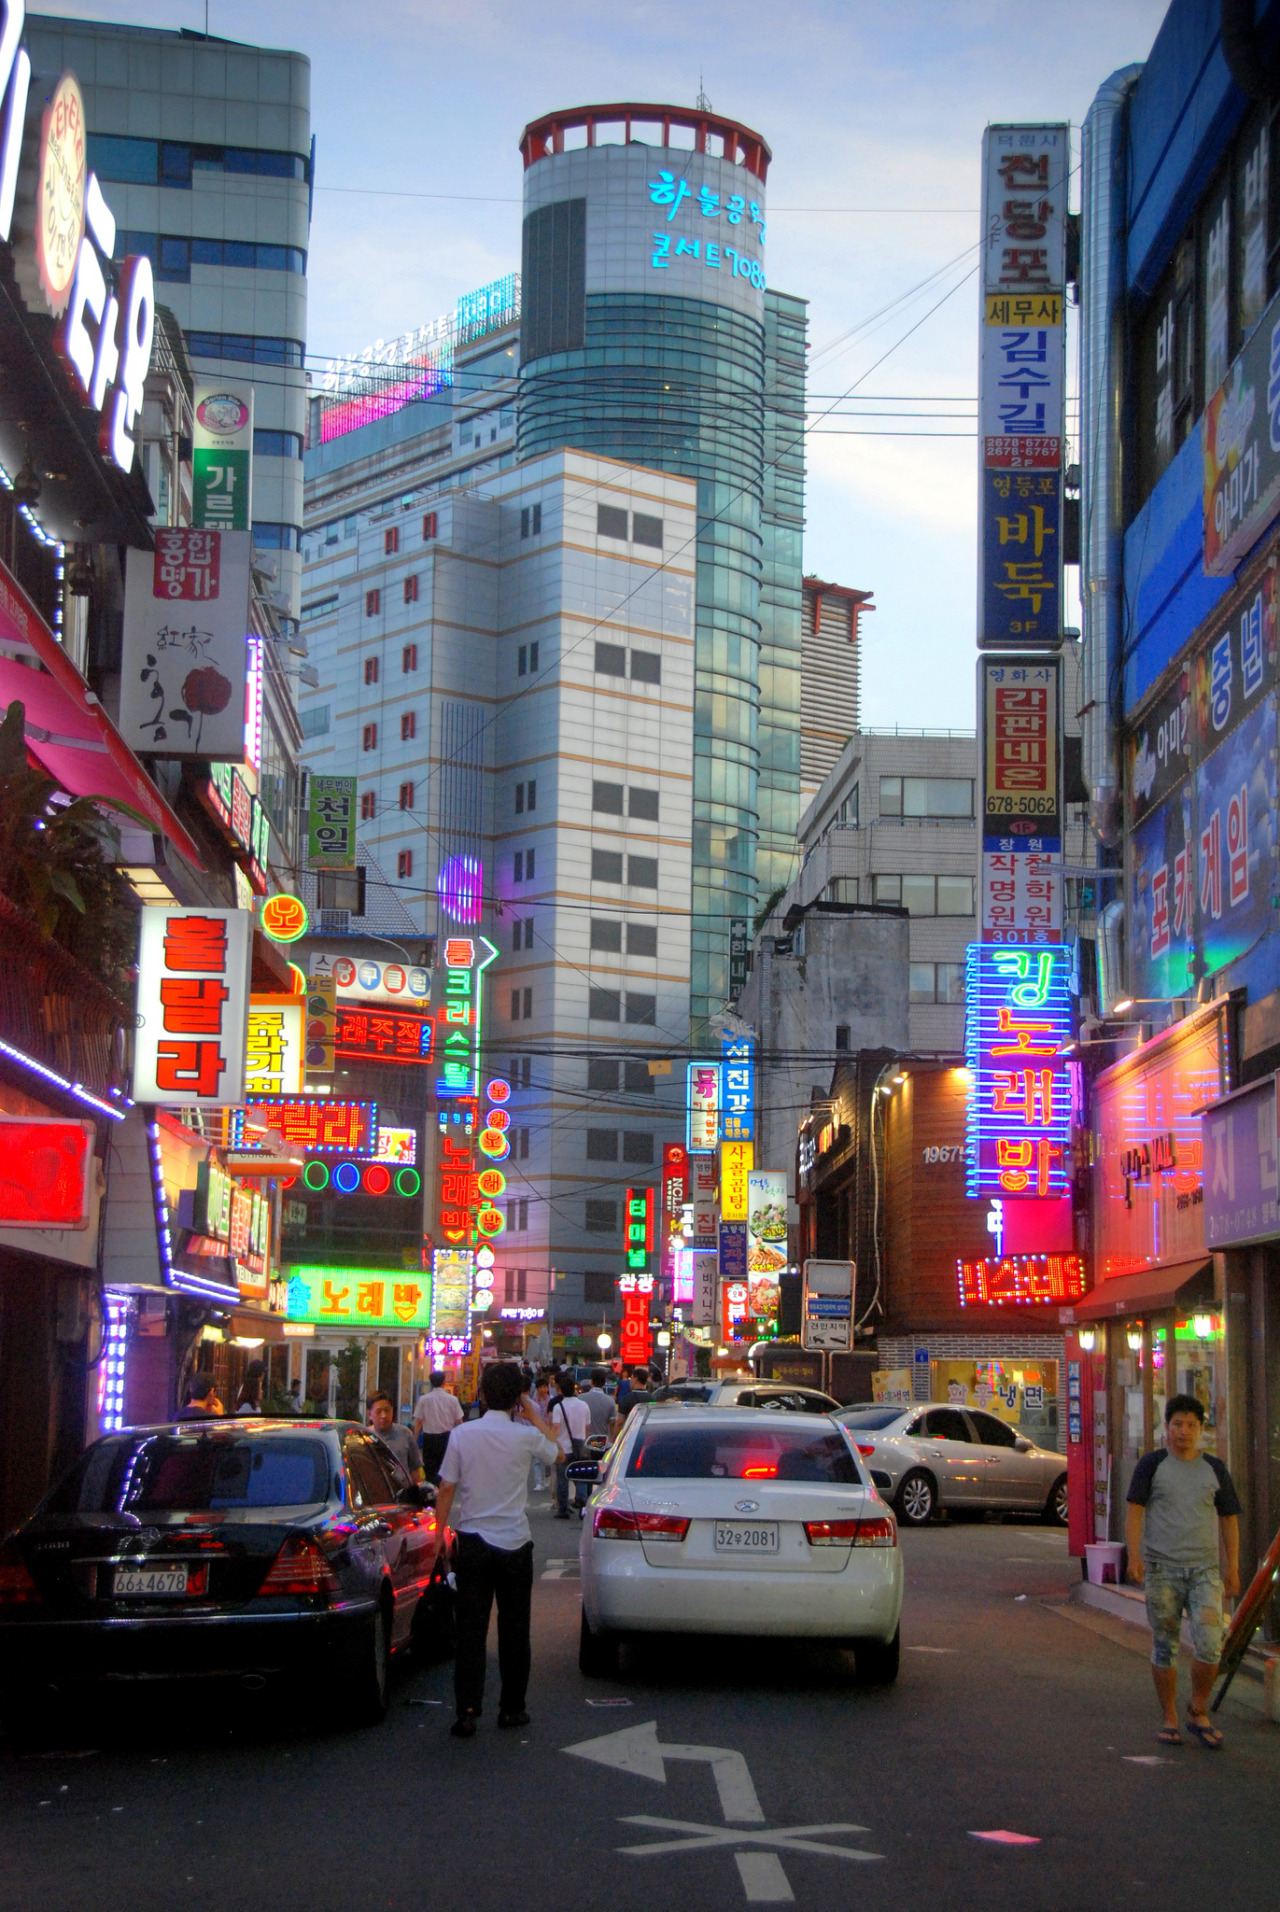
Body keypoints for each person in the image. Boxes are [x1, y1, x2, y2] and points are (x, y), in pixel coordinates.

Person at [428, 1361, 560, 1737]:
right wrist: (532, 1412)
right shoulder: (525, 1437)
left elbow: (447, 1488)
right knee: (515, 1630)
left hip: (472, 1541)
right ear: (516, 1397)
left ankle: (468, 1711)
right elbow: (557, 1453)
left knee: (470, 1630)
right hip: (516, 1542)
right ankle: (512, 1709)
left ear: (482, 1394)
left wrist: (439, 1533)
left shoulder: (463, 1435)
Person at [1125, 1392, 1242, 1750]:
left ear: (1202, 1429)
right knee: (1165, 1645)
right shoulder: (1152, 1465)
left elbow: (1229, 1519)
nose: (1184, 1431)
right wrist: (1135, 1556)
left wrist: (1232, 1567)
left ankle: (1199, 1709)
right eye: (1178, 1424)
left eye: (1192, 1425)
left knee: (1210, 1644)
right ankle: (1170, 1717)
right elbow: (1135, 1512)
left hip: (1205, 1570)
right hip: (1162, 1569)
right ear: (1167, 1426)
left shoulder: (1214, 1468)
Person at [550, 1371, 591, 1518]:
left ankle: (563, 1509)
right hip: (580, 1445)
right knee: (581, 1476)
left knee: (562, 1479)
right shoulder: (584, 1405)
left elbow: (555, 1428)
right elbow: (587, 1428)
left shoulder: (558, 1407)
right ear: (574, 1389)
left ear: (560, 1390)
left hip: (563, 1447)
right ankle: (582, 1502)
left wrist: (552, 1443)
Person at [414, 1370, 464, 1481]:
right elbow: (459, 1421)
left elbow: (418, 1423)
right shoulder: (452, 1399)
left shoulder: (423, 1399)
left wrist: (414, 1441)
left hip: (429, 1439)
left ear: (431, 1383)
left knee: (430, 1470)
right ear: (444, 1382)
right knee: (446, 1470)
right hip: (447, 1438)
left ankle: (432, 1493)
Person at [369, 1392, 425, 1484]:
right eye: (378, 1412)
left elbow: (416, 1472)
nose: (383, 1416)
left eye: (387, 1411)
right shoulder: (364, 1437)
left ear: (392, 1411)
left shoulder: (405, 1434)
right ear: (370, 1414)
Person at [581, 1367, 614, 1443]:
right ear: (604, 1382)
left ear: (591, 1381)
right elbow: (612, 1424)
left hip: (584, 1441)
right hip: (601, 1442)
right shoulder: (610, 1401)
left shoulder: (581, 1398)